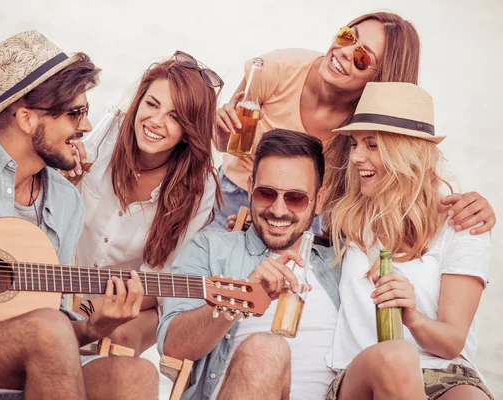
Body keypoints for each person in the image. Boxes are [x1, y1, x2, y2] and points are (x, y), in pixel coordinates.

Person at [0, 30, 158, 400]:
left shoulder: (66, 201)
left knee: (137, 375)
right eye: (76, 113)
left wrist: (93, 328)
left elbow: (50, 324)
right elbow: (46, 331)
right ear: (25, 117)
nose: (86, 127)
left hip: (19, 354)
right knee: (47, 330)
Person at [212, 11, 495, 236]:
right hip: (238, 195)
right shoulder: (275, 68)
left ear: (380, 78)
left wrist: (471, 207)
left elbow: (404, 178)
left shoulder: (371, 124)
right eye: (347, 36)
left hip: (309, 221)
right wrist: (221, 132)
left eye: (362, 58)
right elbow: (227, 144)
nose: (345, 52)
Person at [325, 82, 492, 399]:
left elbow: (452, 341)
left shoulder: (462, 225)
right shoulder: (346, 216)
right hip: (364, 374)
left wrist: (412, 318)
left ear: (406, 152)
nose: (357, 157)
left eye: (372, 145)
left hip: (446, 374)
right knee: (397, 356)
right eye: (355, 144)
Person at [158, 129, 342, 400]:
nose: (278, 210)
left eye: (295, 198)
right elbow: (173, 347)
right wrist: (239, 297)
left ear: (320, 199)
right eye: (266, 193)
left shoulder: (341, 263)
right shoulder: (210, 248)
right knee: (267, 350)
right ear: (249, 187)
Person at [70, 50, 222, 355]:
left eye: (175, 117)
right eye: (152, 104)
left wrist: (92, 309)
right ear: (138, 100)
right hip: (53, 282)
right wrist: (62, 174)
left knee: (119, 341)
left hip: (128, 303)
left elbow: (164, 280)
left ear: (189, 131)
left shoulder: (199, 186)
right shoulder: (99, 130)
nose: (155, 121)